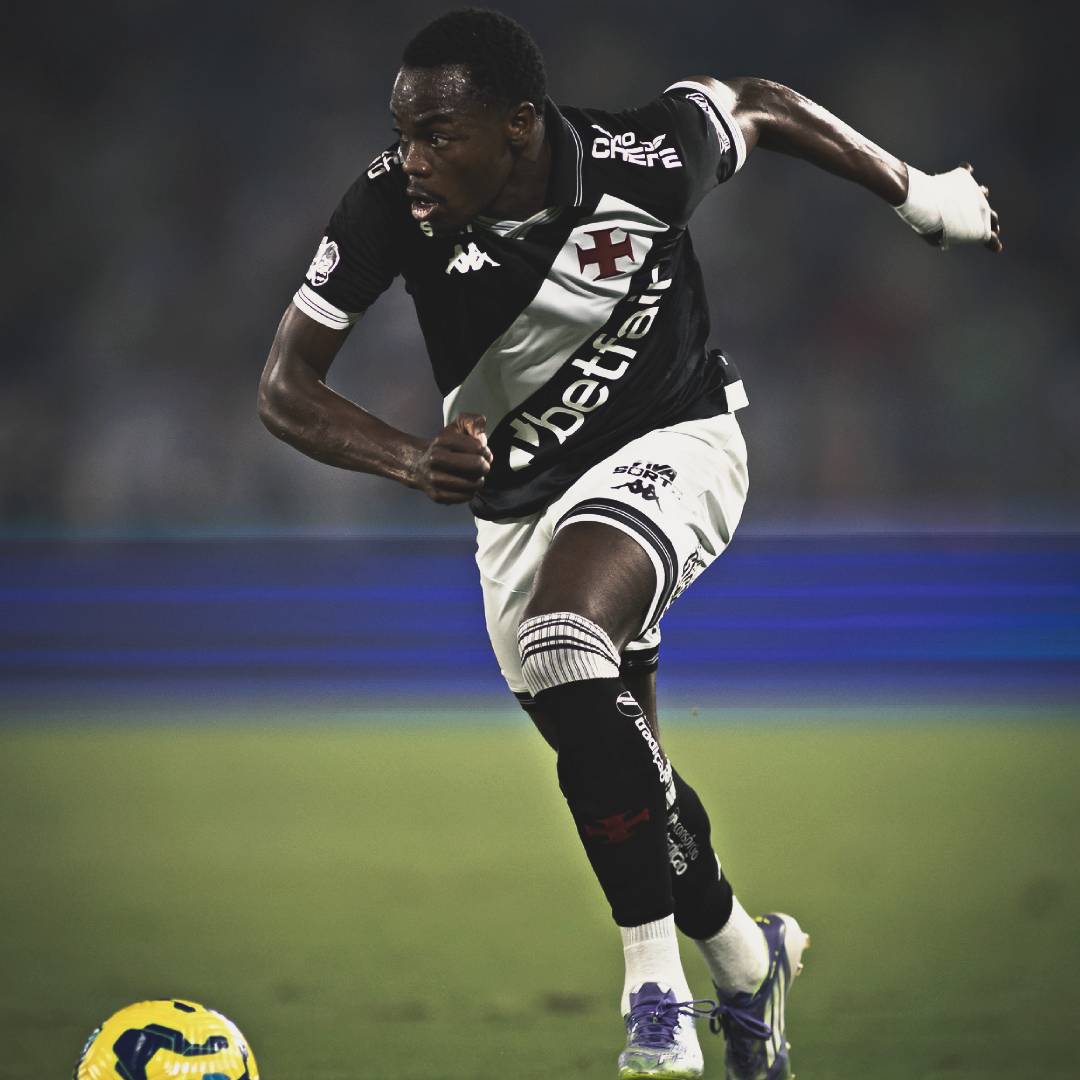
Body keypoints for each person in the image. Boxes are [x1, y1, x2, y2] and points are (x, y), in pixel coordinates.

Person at [258, 9, 1001, 1078]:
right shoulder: (387, 206)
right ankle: (746, 960)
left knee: (565, 639)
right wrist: (412, 461)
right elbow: (286, 387)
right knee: (614, 762)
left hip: (676, 441)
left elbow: (760, 105)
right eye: (403, 134)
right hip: (519, 508)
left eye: (438, 135)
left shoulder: (641, 159)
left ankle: (654, 998)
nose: (410, 160)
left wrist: (920, 195)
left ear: (518, 125)